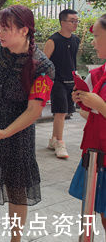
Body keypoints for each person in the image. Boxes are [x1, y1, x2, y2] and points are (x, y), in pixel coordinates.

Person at [0, 5, 54, 242]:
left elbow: (34, 110)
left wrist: (6, 132)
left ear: (25, 30)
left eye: (6, 28)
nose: (0, 33)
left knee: (17, 187)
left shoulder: (43, 66)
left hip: (18, 133)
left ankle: (16, 238)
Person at [69, 14, 106, 234]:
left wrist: (100, 105)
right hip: (96, 153)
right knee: (100, 211)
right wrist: (84, 101)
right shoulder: (97, 73)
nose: (93, 42)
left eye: (98, 36)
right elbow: (88, 114)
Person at [43, 9, 80, 159]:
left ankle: (53, 139)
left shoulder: (76, 40)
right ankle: (59, 142)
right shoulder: (53, 40)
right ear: (63, 22)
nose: (75, 23)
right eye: (72, 21)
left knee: (65, 112)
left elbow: (72, 61)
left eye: (77, 21)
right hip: (56, 81)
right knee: (61, 112)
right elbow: (44, 63)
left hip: (71, 81)